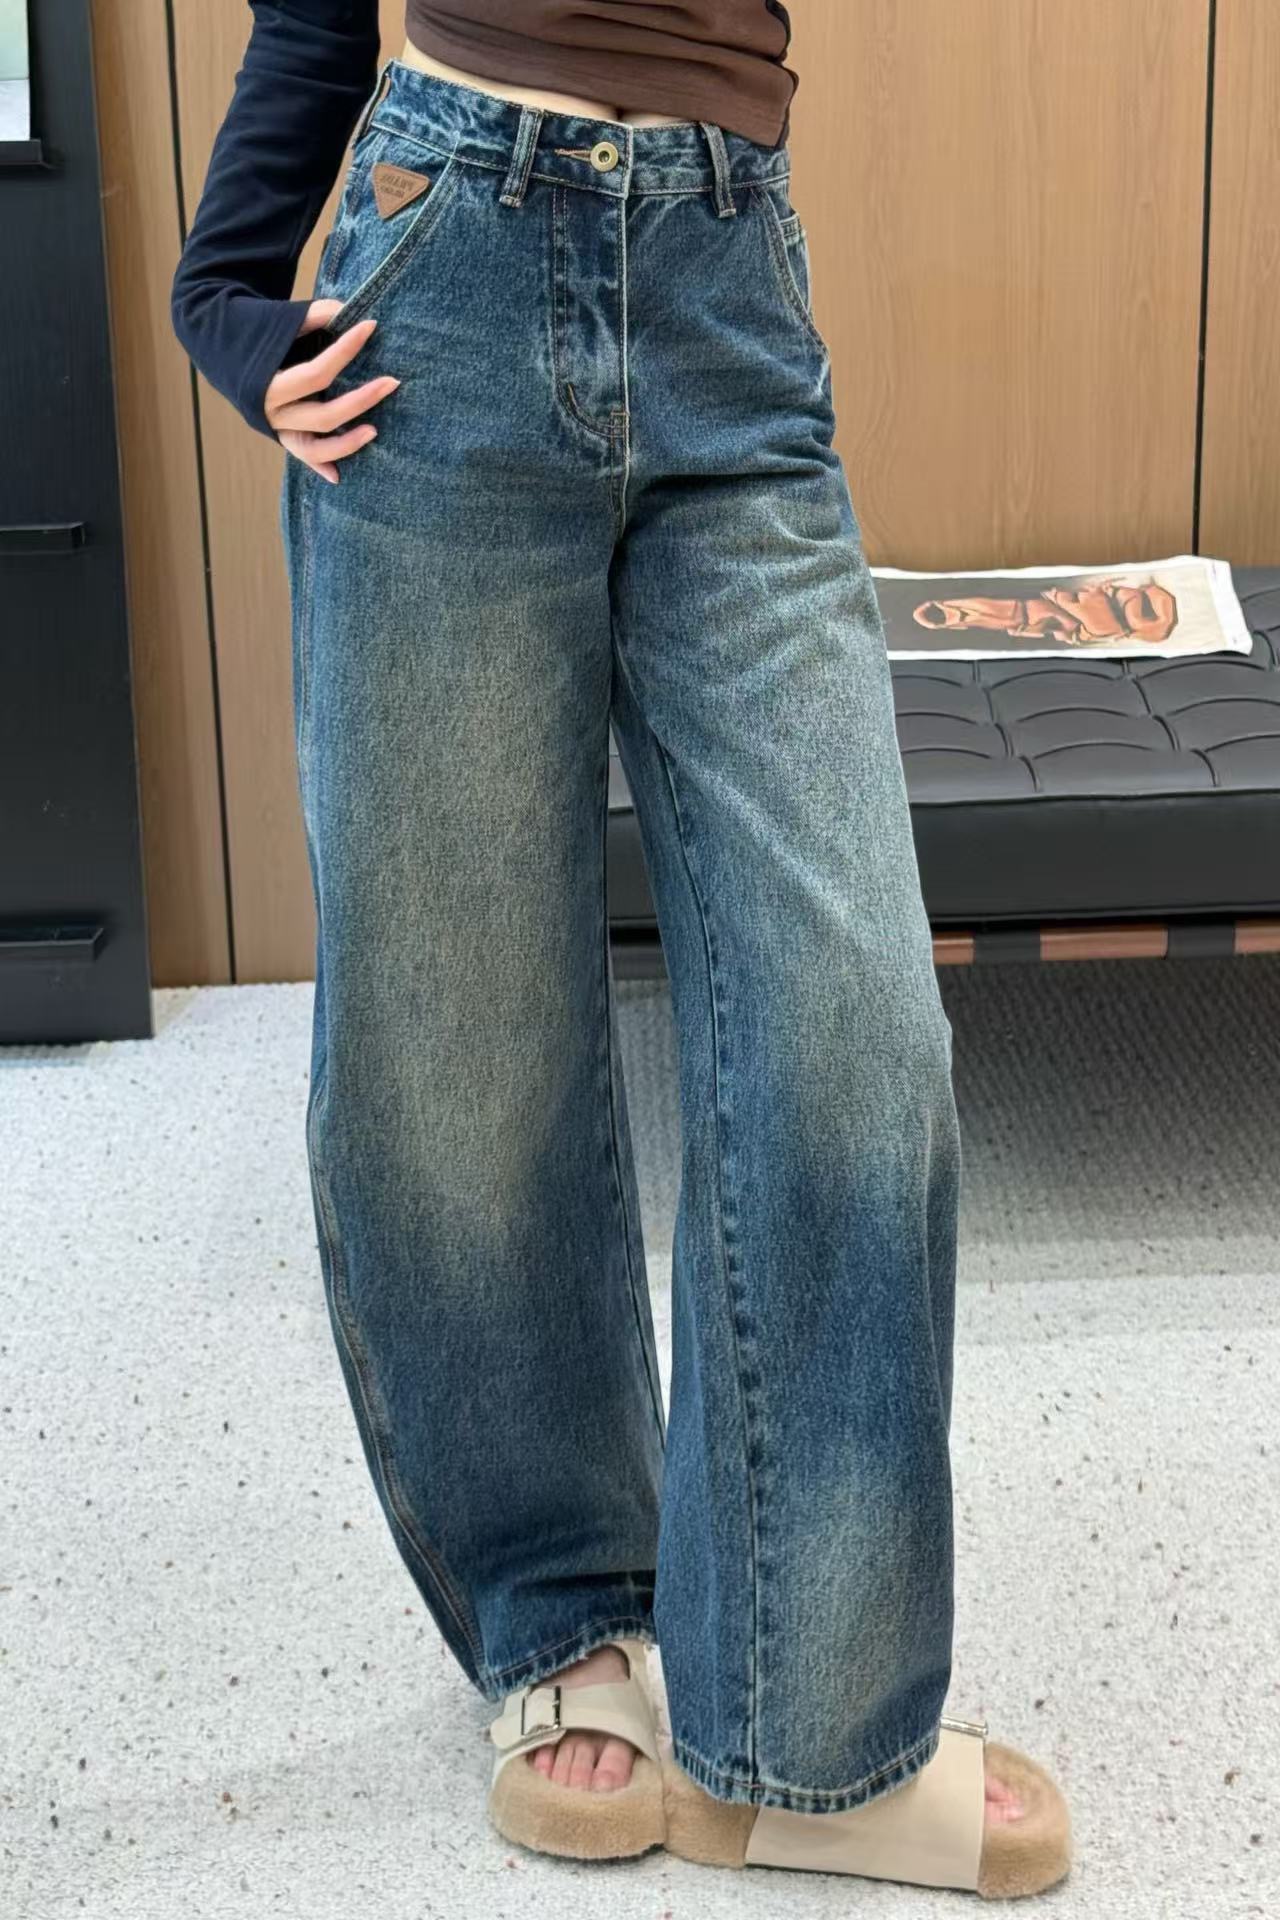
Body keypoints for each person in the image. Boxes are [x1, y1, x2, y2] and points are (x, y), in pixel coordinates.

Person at [171, 3, 1071, 1897]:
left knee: (854, 1035)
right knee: (463, 1039)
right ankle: (567, 1603)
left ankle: (812, 1726)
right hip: (442, 294)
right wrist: (227, 295)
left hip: (729, 287)